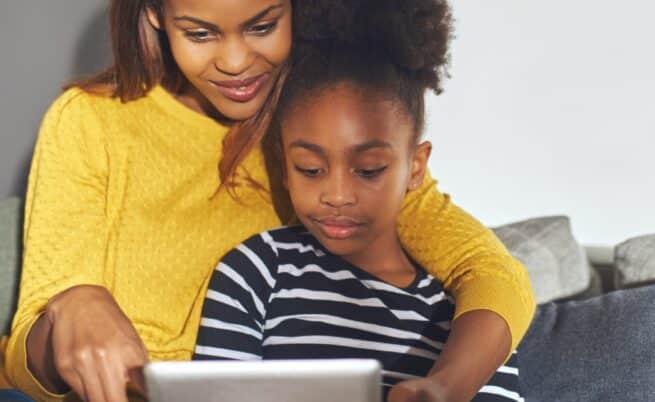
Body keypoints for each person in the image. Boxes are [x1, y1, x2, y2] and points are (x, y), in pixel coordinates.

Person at [3, 1, 534, 401]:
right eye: (200, 33)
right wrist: (72, 305)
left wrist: (442, 388)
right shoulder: (90, 121)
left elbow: (492, 276)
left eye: (262, 26)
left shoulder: (322, 134)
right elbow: (26, 356)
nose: (235, 62)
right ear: (156, 15)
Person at [194, 3, 523, 401]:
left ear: (415, 167)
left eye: (368, 170)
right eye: (310, 169)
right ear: (283, 166)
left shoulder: (468, 323)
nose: (336, 195)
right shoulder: (257, 272)